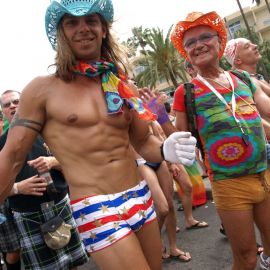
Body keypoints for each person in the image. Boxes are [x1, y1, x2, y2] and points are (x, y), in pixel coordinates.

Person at [0, 1, 197, 269]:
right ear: (62, 33)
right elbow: (11, 157)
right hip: (95, 205)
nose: (83, 28)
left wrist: (165, 150)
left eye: (91, 20)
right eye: (72, 22)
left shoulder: (122, 85)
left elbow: (141, 141)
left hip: (139, 195)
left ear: (103, 29)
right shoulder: (41, 90)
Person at [141, 11, 270, 270]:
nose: (198, 45)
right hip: (229, 184)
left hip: (265, 174)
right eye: (190, 43)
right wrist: (159, 115)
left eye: (205, 37)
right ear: (186, 53)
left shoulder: (243, 79)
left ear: (220, 41)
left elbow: (267, 108)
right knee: (246, 259)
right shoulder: (186, 92)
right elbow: (179, 139)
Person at [0, 90, 89, 269]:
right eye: (6, 104)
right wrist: (18, 188)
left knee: (73, 263)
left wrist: (53, 161)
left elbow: (77, 164)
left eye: (16, 101)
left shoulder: (49, 132)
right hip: (28, 215)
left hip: (60, 206)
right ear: (2, 111)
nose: (12, 106)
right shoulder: (1, 145)